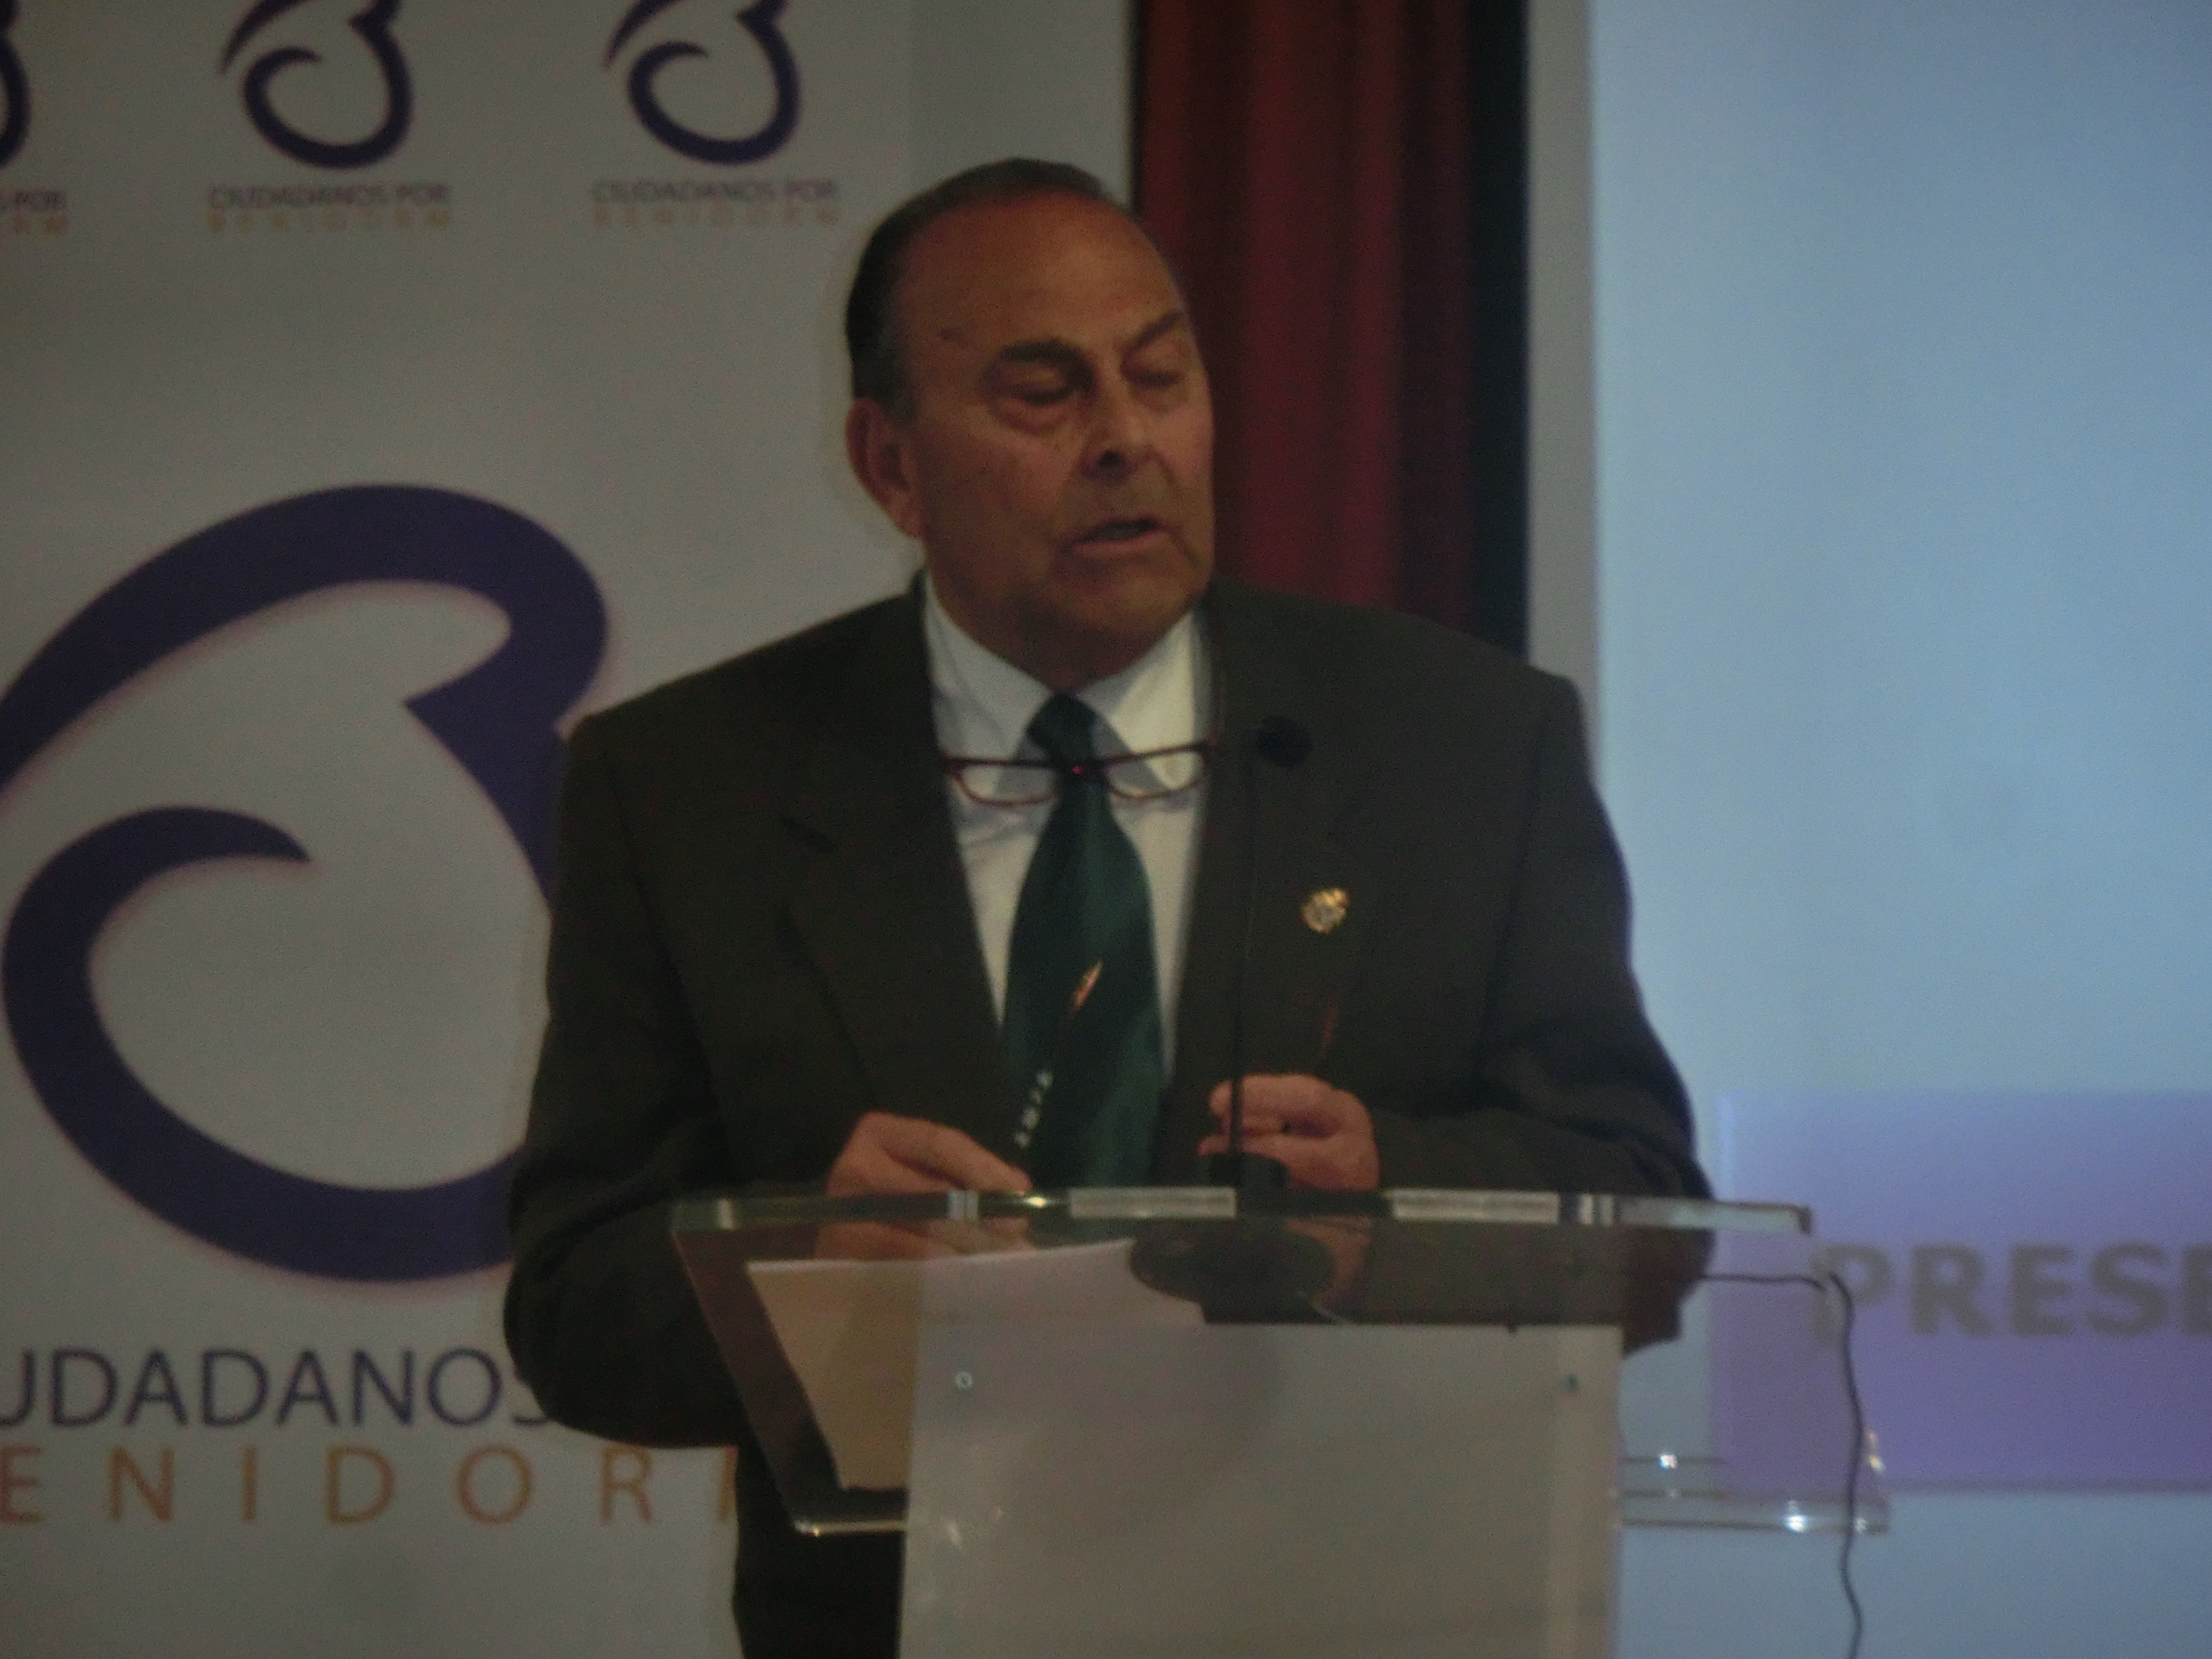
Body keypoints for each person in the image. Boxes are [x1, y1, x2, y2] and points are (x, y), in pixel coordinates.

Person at [505, 158, 1705, 1658]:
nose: (1128, 438)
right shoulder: (688, 785)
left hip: (1373, 1611)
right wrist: (804, 1277)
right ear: (890, 464)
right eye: (1044, 392)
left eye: (1161, 376)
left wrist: (1392, 1208)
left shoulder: (1463, 744)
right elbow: (572, 1308)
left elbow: (1646, 1211)